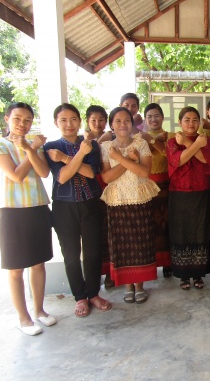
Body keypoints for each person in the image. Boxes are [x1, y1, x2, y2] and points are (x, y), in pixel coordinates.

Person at [0, 102, 55, 336]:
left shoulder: (33, 144)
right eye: (17, 118)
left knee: (39, 263)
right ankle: (23, 318)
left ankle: (40, 310)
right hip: (12, 211)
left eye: (27, 120)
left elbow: (44, 172)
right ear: (7, 119)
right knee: (15, 268)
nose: (22, 124)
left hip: (38, 207)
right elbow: (16, 176)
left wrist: (30, 148)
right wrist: (30, 148)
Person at [45, 103, 112, 317]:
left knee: (93, 252)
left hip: (90, 203)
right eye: (63, 120)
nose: (69, 124)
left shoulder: (90, 145)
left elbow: (91, 173)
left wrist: (67, 159)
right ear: (56, 123)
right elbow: (62, 177)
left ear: (80, 121)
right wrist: (77, 159)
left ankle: (93, 293)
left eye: (73, 119)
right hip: (64, 207)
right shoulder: (50, 147)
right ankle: (80, 297)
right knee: (71, 255)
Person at [100, 107, 160, 304]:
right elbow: (107, 177)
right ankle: (127, 285)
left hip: (139, 198)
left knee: (141, 244)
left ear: (132, 124)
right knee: (122, 246)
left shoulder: (141, 143)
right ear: (111, 125)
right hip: (117, 201)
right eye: (117, 121)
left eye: (126, 120)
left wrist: (120, 158)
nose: (123, 124)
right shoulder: (106, 147)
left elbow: (144, 172)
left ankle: (140, 285)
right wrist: (129, 160)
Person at [166, 107, 210, 291]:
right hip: (179, 193)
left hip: (201, 192)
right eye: (187, 120)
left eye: (195, 120)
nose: (191, 123)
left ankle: (198, 274)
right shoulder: (172, 142)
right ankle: (183, 274)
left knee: (200, 231)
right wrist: (193, 145)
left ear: (200, 122)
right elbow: (178, 161)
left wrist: (188, 143)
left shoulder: (206, 140)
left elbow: (206, 160)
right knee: (181, 231)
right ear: (180, 122)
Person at [83, 105, 114, 289]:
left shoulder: (113, 137)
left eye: (101, 119)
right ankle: (96, 275)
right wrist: (99, 140)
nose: (97, 123)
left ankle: (111, 272)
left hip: (108, 188)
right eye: (93, 120)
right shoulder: (82, 141)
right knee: (94, 235)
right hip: (89, 190)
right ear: (87, 121)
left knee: (109, 232)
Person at [144, 103, 174, 278]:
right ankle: (152, 263)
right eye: (149, 117)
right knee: (150, 226)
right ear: (145, 120)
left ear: (162, 117)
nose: (153, 119)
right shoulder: (140, 138)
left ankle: (168, 263)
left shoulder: (170, 136)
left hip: (167, 185)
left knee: (167, 224)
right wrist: (152, 139)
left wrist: (153, 140)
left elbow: (167, 154)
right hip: (147, 187)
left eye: (156, 116)